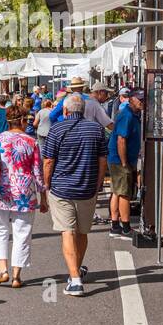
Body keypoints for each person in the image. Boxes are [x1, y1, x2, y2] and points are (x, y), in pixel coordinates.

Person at [42, 93, 108, 299]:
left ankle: (76, 280)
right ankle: (75, 271)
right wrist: (98, 184)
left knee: (67, 232)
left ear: (65, 110)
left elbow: (48, 161)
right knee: (82, 232)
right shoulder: (96, 129)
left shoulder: (57, 129)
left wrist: (46, 185)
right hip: (87, 188)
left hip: (62, 188)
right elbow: (102, 161)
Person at [0, 103, 46, 288]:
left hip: (0, 191)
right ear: (23, 121)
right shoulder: (31, 142)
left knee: (0, 229)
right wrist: (43, 196)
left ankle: (3, 270)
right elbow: (38, 172)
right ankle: (16, 275)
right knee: (22, 233)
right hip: (24, 193)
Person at [109, 89, 144, 238]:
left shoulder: (133, 114)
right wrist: (124, 163)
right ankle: (125, 228)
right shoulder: (127, 115)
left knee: (117, 191)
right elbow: (121, 139)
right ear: (131, 99)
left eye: (143, 99)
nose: (142, 102)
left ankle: (115, 225)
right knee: (124, 193)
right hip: (120, 159)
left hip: (119, 159)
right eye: (140, 99)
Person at [48, 76, 113, 131]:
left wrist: (61, 125)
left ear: (71, 88)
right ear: (82, 87)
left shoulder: (65, 100)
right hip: (89, 134)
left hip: (69, 133)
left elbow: (52, 115)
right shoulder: (92, 102)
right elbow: (107, 123)